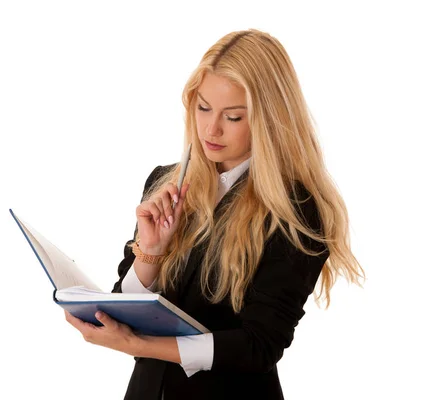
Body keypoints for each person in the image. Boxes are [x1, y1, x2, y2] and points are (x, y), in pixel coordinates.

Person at [65, 28, 364, 400]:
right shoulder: (165, 182)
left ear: (267, 119)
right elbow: (128, 303)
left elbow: (260, 345)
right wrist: (151, 252)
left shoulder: (296, 210)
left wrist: (139, 345)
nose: (211, 128)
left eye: (233, 117)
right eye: (203, 107)